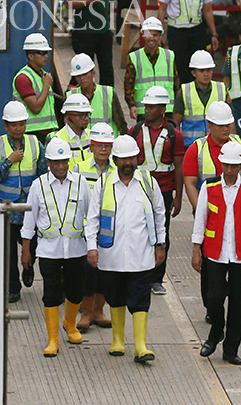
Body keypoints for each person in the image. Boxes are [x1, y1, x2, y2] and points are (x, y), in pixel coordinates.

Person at [85, 135, 167, 363]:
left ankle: (140, 346)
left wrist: (161, 245)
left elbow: (160, 215)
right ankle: (118, 341)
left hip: (142, 253)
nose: (127, 162)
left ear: (137, 158)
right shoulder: (104, 183)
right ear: (115, 160)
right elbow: (92, 219)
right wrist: (92, 248)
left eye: (131, 157)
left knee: (141, 298)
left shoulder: (148, 182)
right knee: (115, 296)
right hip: (112, 255)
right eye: (122, 158)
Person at [183, 100, 241, 329]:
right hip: (211, 217)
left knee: (240, 265)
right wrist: (202, 212)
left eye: (228, 123)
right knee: (210, 264)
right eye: (219, 125)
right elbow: (189, 183)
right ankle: (212, 308)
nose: (225, 128)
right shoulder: (196, 149)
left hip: (239, 218)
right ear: (208, 125)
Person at [191, 140, 241, 365]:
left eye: (234, 166)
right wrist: (197, 249)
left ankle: (231, 349)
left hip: (240, 254)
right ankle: (216, 331)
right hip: (214, 252)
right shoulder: (209, 187)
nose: (230, 170)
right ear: (220, 164)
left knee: (237, 304)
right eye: (226, 165)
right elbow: (200, 220)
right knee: (213, 297)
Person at [21, 137, 91, 357]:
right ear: (48, 163)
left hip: (76, 248)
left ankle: (69, 324)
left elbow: (92, 216)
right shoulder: (38, 186)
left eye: (64, 161)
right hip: (48, 250)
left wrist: (93, 246)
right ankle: (52, 339)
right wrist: (26, 251)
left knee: (76, 289)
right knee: (51, 294)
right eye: (56, 162)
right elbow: (29, 220)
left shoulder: (81, 184)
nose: (61, 166)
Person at [0, 100, 47, 304]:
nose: (18, 128)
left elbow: (44, 174)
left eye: (21, 124)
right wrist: (9, 160)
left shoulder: (36, 144)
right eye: (13, 124)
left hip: (30, 208)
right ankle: (13, 287)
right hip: (6, 208)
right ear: (6, 126)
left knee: (33, 245)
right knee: (8, 252)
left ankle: (28, 268)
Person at [130, 86, 185, 295]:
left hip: (163, 192)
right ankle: (139, 274)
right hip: (138, 189)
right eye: (147, 106)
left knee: (162, 233)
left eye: (152, 107)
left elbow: (179, 167)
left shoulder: (174, 134)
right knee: (137, 231)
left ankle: (157, 278)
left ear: (163, 109)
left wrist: (178, 198)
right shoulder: (134, 131)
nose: (148, 110)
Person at [73, 123, 115, 332]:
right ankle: (86, 313)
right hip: (85, 233)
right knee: (88, 274)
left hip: (109, 233)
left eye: (107, 145)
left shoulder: (117, 171)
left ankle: (99, 310)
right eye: (99, 145)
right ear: (91, 146)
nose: (103, 150)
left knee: (106, 275)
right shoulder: (79, 169)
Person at [157, 0, 220, 84]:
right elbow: (162, 8)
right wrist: (159, 33)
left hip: (197, 31)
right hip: (177, 32)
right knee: (180, 68)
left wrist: (214, 34)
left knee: (199, 65)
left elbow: (208, 9)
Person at [65, 0, 114, 87]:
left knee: (107, 70)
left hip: (103, 33)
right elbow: (68, 3)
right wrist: (88, 1)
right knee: (82, 70)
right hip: (84, 34)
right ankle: (71, 98)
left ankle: (108, 100)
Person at [125, 17, 180, 121]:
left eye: (155, 35)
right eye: (149, 35)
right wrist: (131, 105)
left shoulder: (169, 56)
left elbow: (175, 83)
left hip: (166, 110)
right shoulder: (135, 57)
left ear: (160, 36)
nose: (151, 38)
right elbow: (128, 85)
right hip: (144, 111)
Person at [175, 50, 228, 147]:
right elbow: (176, 123)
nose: (206, 74)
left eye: (209, 70)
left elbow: (230, 121)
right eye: (201, 71)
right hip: (191, 147)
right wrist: (179, 148)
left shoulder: (221, 89)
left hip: (216, 146)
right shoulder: (184, 91)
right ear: (193, 73)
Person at [12, 33, 57, 141]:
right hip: (33, 134)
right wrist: (46, 86)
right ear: (31, 56)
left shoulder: (43, 75)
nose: (46, 56)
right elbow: (36, 108)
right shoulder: (23, 78)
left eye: (46, 52)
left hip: (49, 132)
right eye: (41, 53)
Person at [67, 53, 126, 134]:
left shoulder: (108, 94)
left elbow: (121, 125)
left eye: (85, 74)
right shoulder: (70, 97)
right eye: (78, 75)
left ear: (93, 73)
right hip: (83, 145)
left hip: (107, 144)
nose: (82, 78)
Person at [52, 94, 93, 168]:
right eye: (81, 115)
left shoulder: (92, 136)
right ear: (67, 118)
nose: (86, 118)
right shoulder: (58, 140)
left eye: (87, 114)